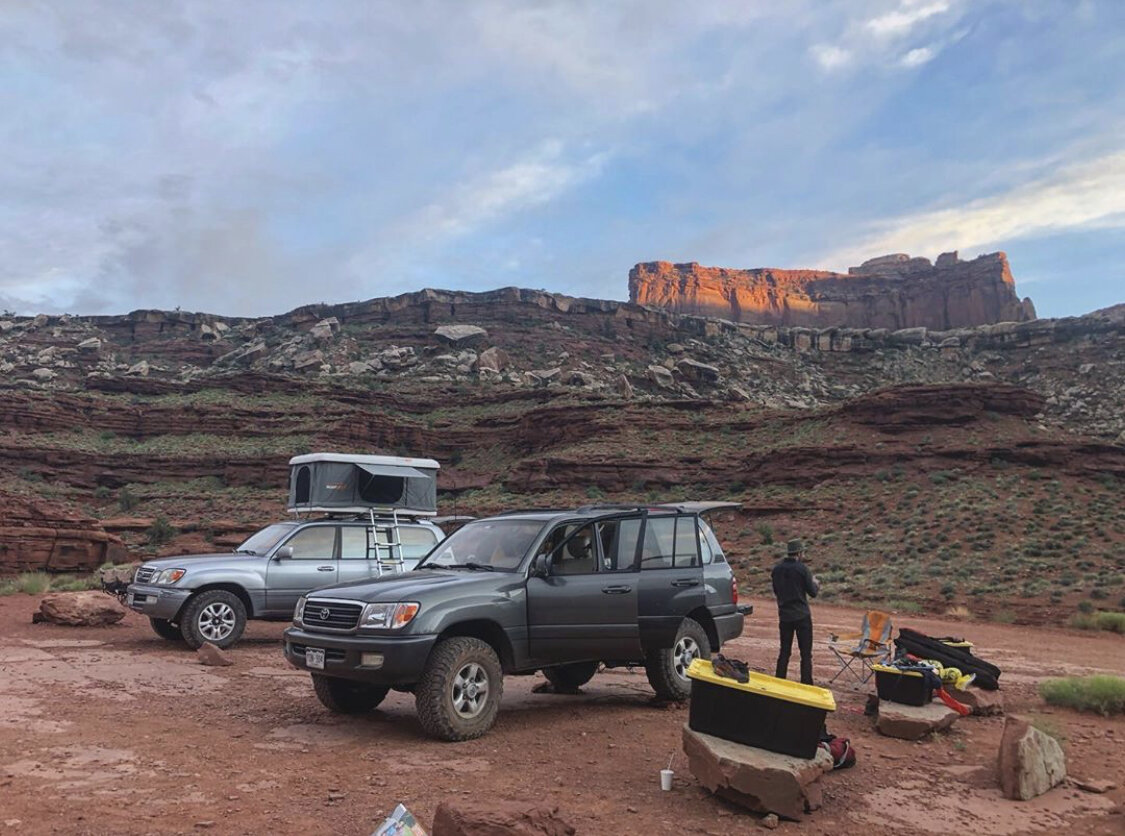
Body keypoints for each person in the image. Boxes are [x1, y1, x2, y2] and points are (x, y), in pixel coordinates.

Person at [772, 538, 820, 685]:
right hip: (802, 616)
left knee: (784, 651)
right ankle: (806, 683)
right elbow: (812, 593)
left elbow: (776, 591)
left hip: (785, 616)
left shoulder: (777, 570)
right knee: (806, 654)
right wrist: (816, 584)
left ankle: (779, 681)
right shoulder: (802, 569)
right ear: (799, 553)